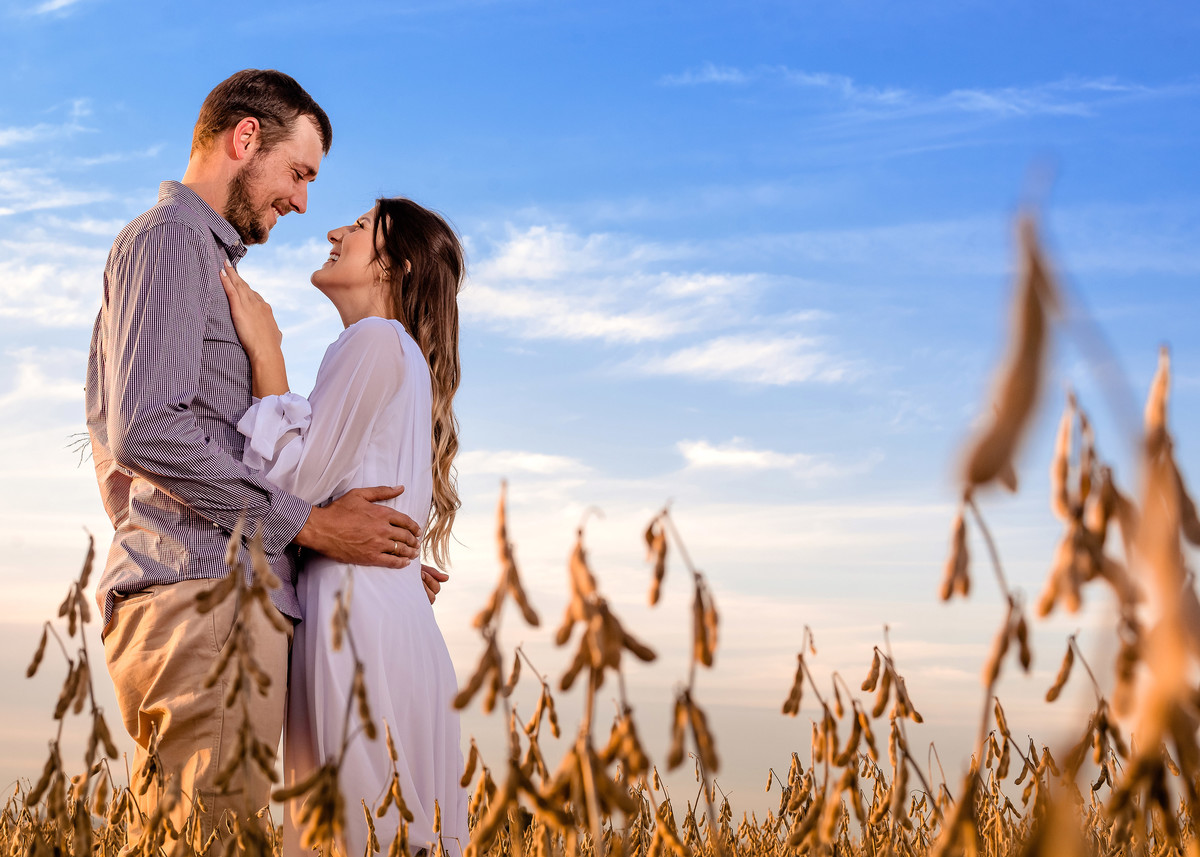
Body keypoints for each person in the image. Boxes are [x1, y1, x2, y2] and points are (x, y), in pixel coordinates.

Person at [85, 69, 440, 844]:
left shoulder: (204, 262)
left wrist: (368, 547)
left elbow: (188, 441)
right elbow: (143, 430)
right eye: (299, 173)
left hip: (218, 595)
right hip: (205, 596)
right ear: (245, 139)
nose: (304, 203)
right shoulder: (172, 240)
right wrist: (310, 526)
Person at [219, 197, 469, 856]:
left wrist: (266, 355)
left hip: (357, 625)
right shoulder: (396, 354)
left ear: (397, 265)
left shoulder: (375, 341)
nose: (333, 230)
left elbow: (294, 485)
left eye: (359, 227)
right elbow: (345, 486)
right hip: (383, 613)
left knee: (353, 827)